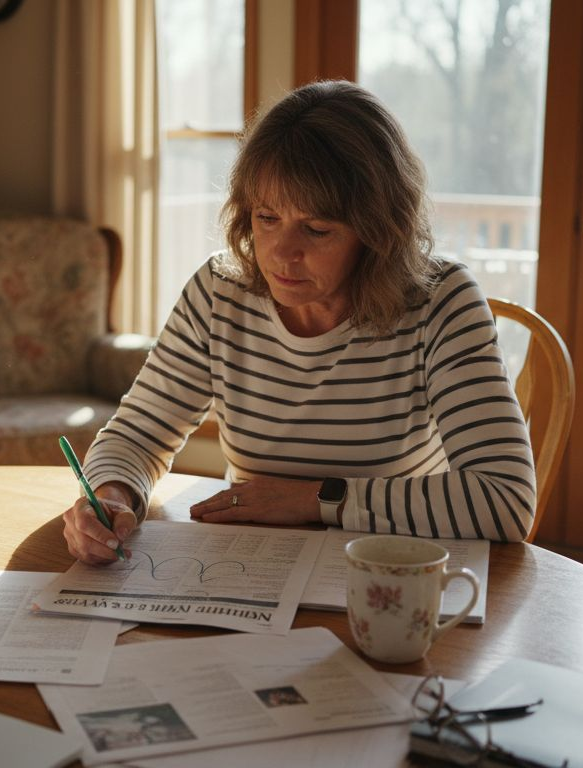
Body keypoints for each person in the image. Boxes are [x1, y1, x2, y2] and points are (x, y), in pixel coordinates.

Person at [61, 80, 535, 566]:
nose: (281, 253)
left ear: (377, 233)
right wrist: (112, 495)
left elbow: (505, 500)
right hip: (254, 571)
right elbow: (137, 433)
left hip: (393, 576)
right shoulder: (220, 291)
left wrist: (312, 500)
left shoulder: (440, 302)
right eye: (267, 218)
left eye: (316, 229)